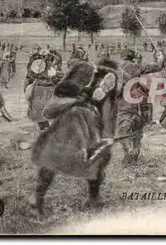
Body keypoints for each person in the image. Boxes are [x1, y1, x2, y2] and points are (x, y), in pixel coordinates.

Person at [29, 60, 119, 216]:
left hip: (89, 127)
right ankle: (37, 199)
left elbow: (108, 112)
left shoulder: (109, 84)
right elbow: (49, 110)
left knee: (98, 158)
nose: (106, 86)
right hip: (67, 125)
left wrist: (108, 136)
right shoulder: (79, 74)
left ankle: (94, 197)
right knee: (51, 158)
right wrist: (77, 102)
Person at [115, 48, 165, 163]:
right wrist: (160, 59)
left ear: (122, 57)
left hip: (123, 103)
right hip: (138, 102)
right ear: (132, 58)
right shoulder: (135, 66)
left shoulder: (117, 68)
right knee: (137, 131)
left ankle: (129, 154)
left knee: (123, 130)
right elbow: (156, 67)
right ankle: (133, 156)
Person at [24, 47, 63, 131]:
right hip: (47, 89)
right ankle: (46, 127)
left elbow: (29, 77)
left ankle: (44, 127)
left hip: (38, 88)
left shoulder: (35, 64)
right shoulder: (49, 65)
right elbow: (54, 75)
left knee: (39, 108)